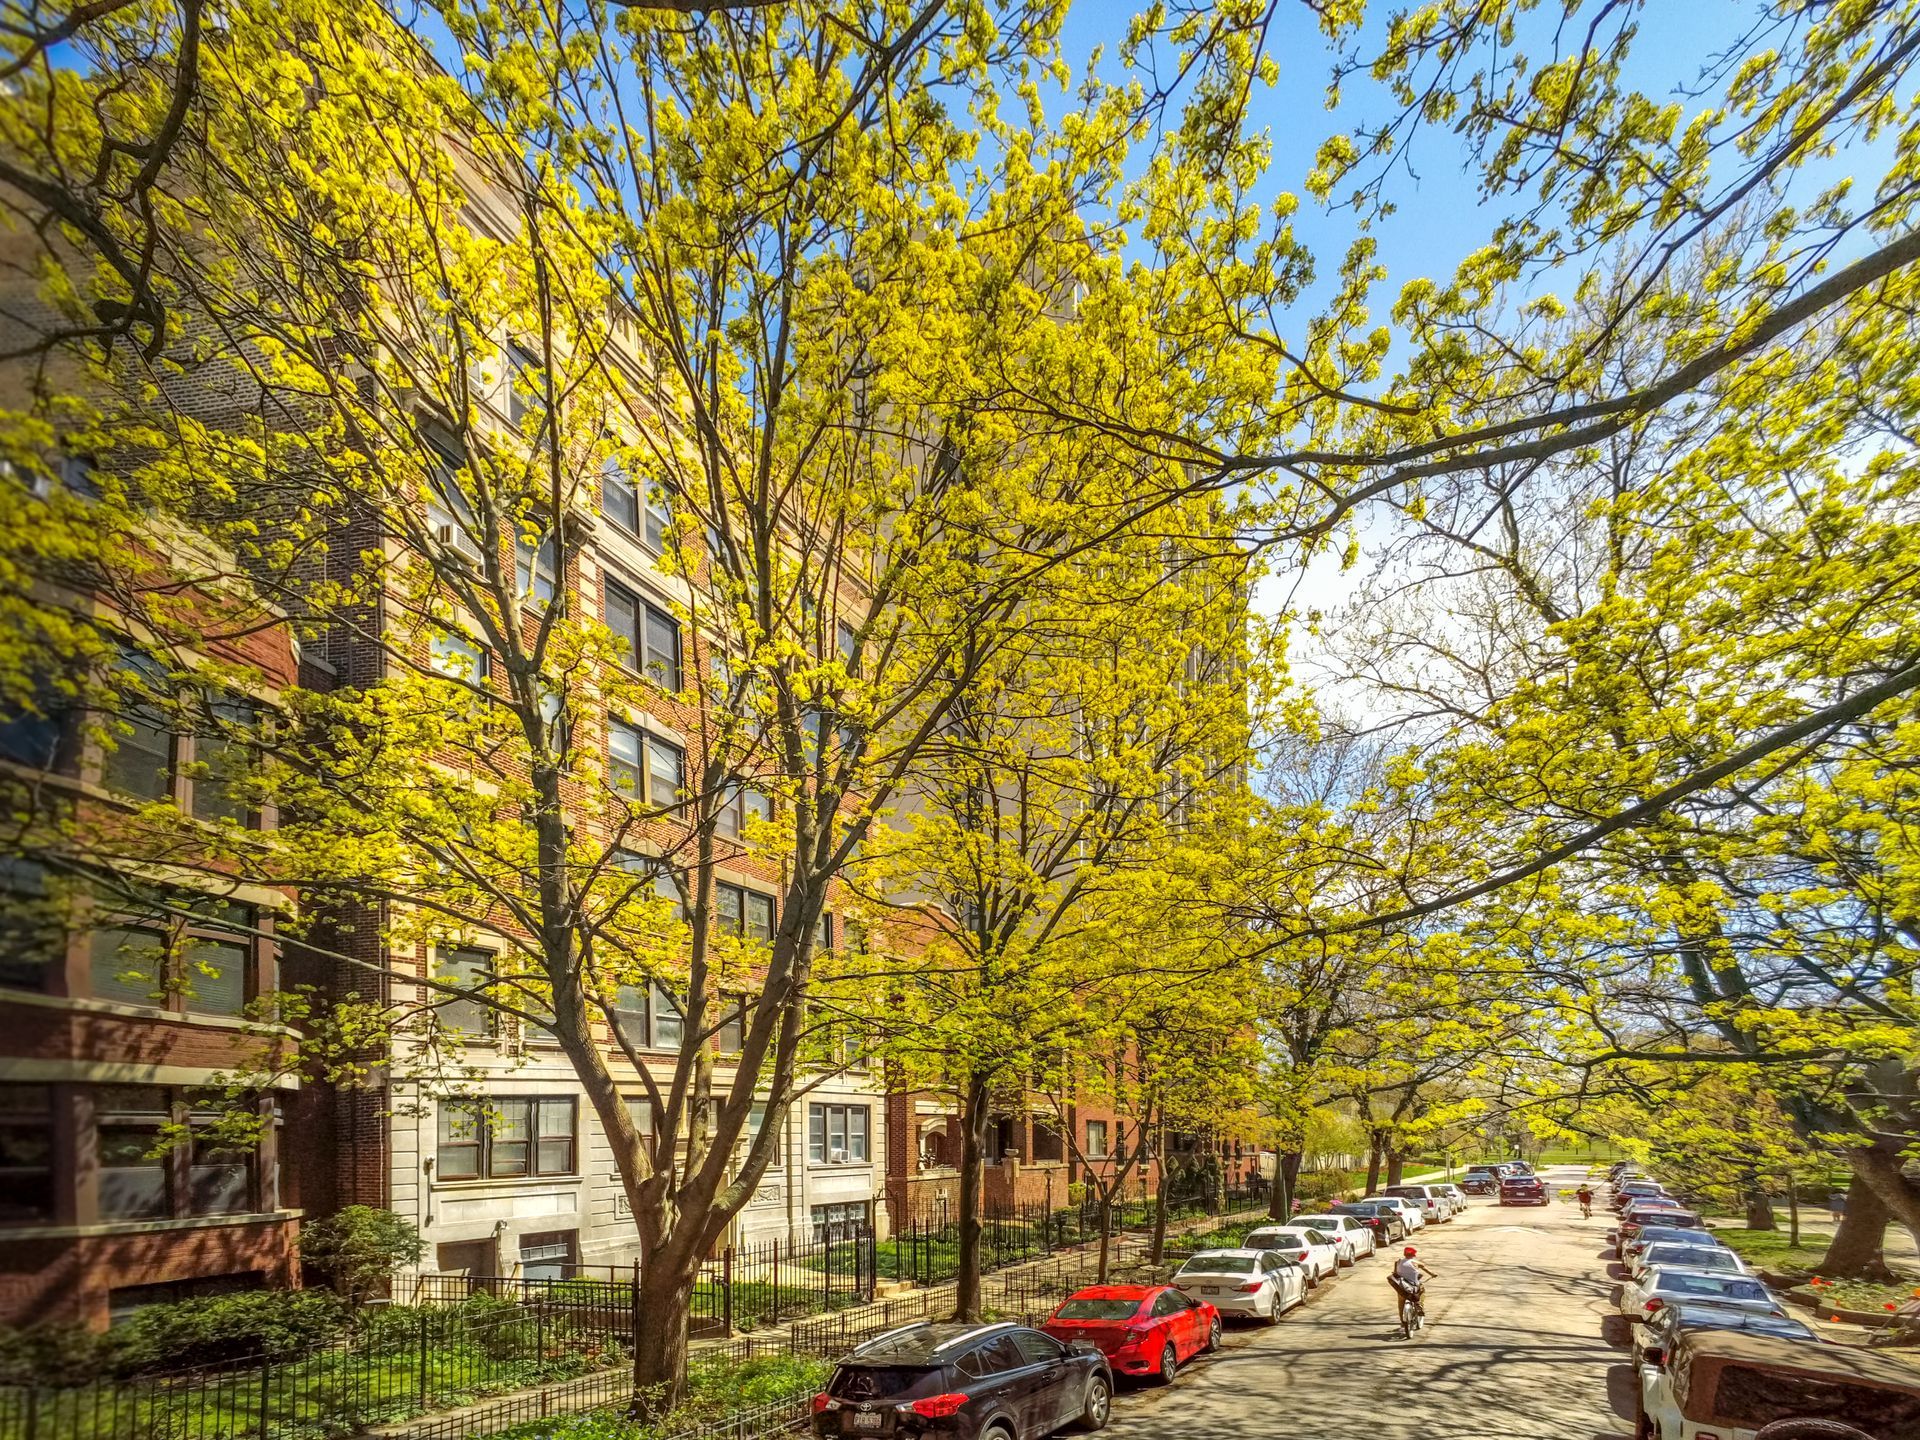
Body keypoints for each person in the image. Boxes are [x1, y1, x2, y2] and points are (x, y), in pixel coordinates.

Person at [1389, 1245, 1436, 1320]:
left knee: (1401, 1302)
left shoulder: (1398, 1262)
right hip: (1413, 1286)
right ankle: (1419, 1304)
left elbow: (1395, 1272)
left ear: (1404, 1254)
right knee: (1422, 1291)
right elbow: (1425, 1269)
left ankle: (1402, 1321)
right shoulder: (1415, 1262)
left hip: (1402, 1286)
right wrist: (1433, 1274)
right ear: (1414, 1255)